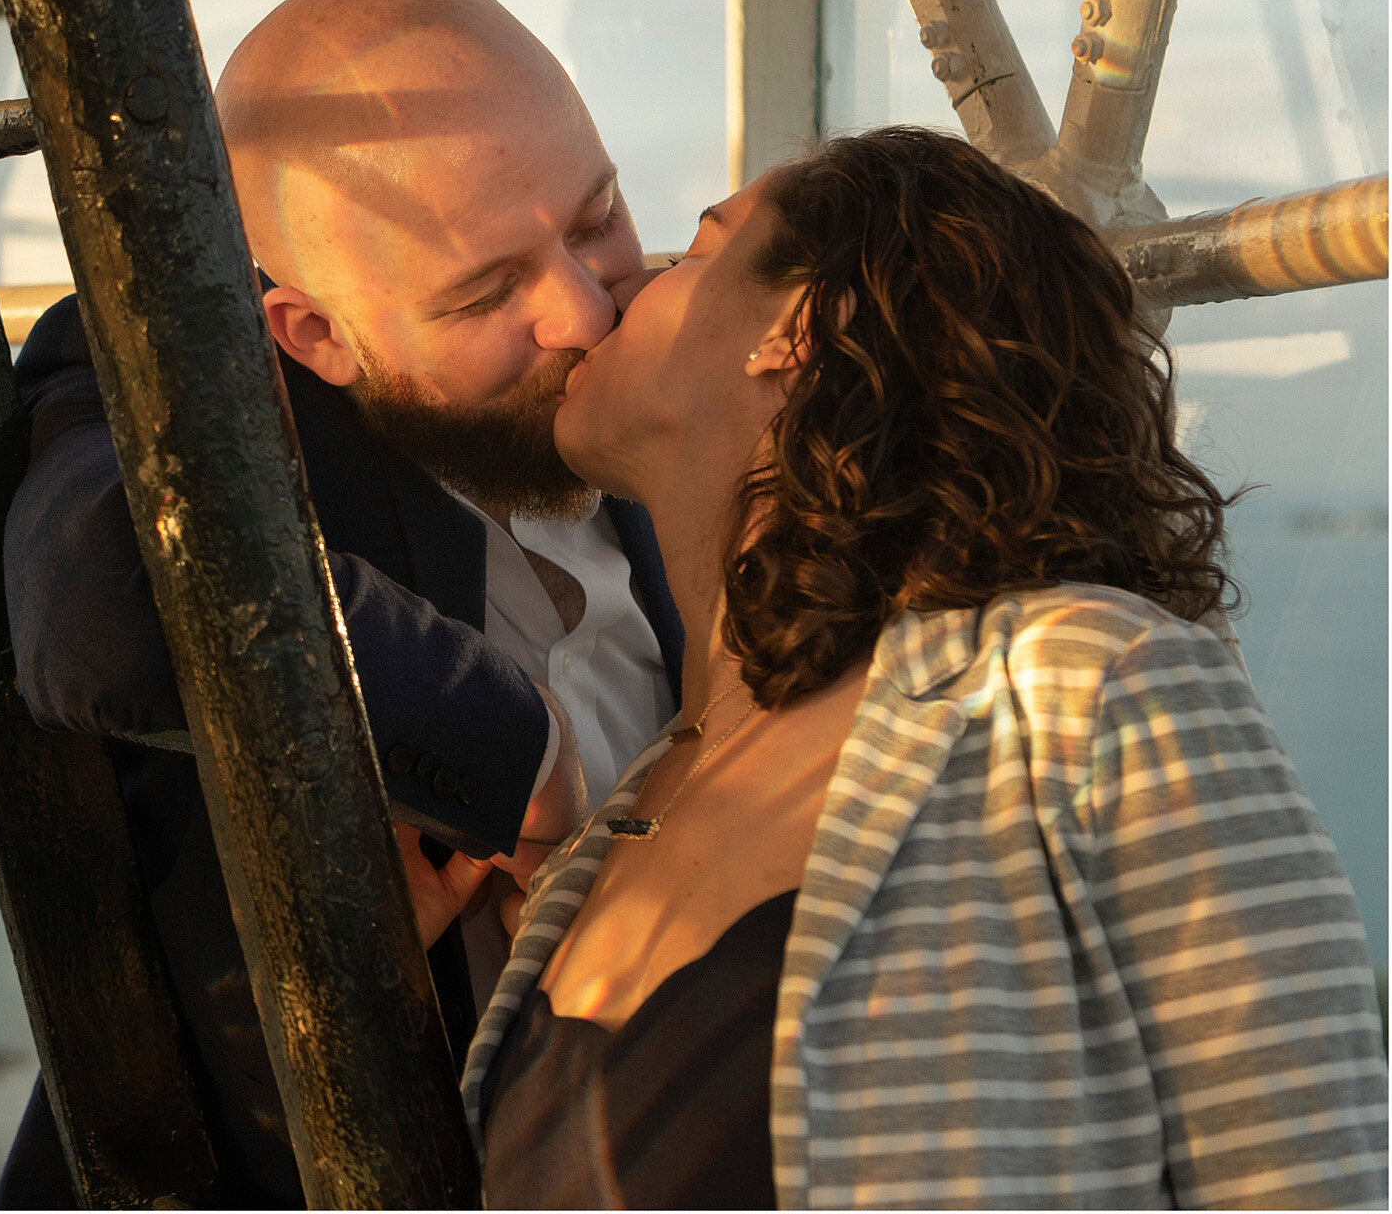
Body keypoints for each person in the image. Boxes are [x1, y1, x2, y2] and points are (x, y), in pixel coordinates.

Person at [441, 125, 1389, 1208]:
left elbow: (1306, 1174)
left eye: (695, 251)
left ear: (799, 325)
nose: (621, 289)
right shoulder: (615, 821)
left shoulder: (1075, 682)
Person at [0, 0, 684, 1207]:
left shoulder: (682, 375)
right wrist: (510, 754)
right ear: (308, 331)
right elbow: (105, 597)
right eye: (486, 291)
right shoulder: (183, 377)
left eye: (596, 221)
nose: (583, 315)